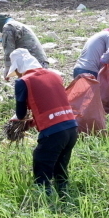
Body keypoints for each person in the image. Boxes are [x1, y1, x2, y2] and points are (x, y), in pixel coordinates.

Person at [9, 48, 78, 196]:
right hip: (72, 128)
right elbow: (51, 106)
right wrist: (34, 122)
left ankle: (45, 198)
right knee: (61, 165)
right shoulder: (55, 75)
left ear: (19, 67)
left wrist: (18, 121)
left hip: (53, 133)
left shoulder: (23, 81)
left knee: (41, 162)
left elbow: (20, 114)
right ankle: (64, 194)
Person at [0, 14, 50, 80]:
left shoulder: (8, 27)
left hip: (31, 64)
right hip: (40, 62)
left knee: (27, 87)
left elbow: (9, 49)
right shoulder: (19, 25)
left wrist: (7, 68)